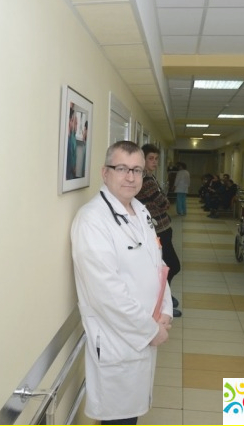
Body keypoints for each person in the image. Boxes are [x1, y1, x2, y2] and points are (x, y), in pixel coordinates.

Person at [71, 140, 173, 425]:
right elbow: (106, 294)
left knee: (131, 415)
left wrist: (165, 309)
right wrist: (149, 331)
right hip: (119, 340)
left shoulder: (141, 211)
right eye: (122, 168)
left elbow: (158, 265)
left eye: (137, 170)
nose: (130, 177)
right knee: (119, 420)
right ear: (105, 172)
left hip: (145, 330)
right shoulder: (92, 221)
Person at [136, 143, 182, 318]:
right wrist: (163, 200)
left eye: (156, 159)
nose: (155, 162)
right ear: (143, 159)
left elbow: (162, 200)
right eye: (151, 158)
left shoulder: (150, 177)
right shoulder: (146, 180)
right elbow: (164, 203)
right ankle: (162, 302)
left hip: (163, 227)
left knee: (166, 267)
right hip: (158, 231)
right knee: (171, 266)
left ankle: (165, 297)